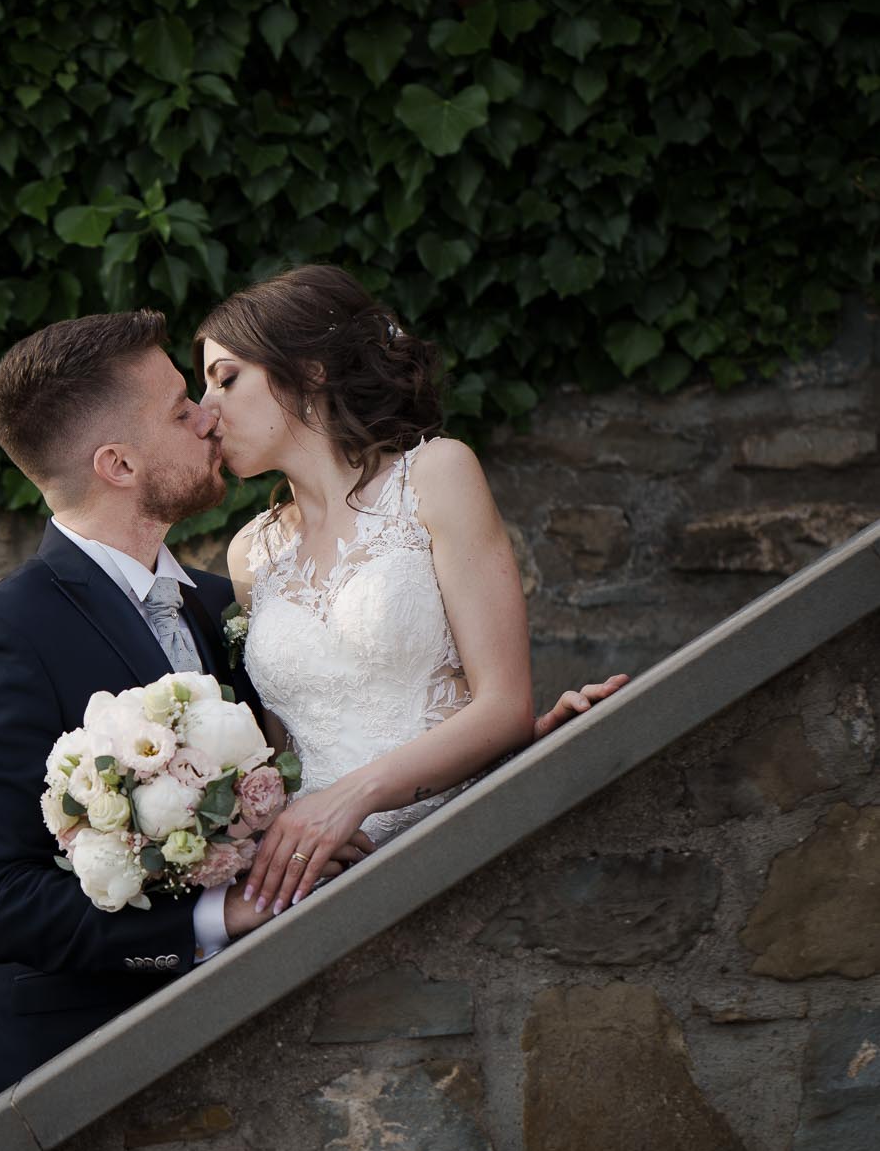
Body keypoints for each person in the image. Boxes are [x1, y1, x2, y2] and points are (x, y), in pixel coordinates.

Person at [0, 301, 621, 1131]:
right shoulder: (1, 638)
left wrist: (507, 752)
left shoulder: (227, 604)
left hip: (284, 1011)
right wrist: (220, 915)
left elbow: (319, 751)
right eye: (184, 409)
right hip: (67, 1071)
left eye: (212, 390)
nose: (207, 419)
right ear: (116, 463)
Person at [196, 263, 628, 916]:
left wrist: (352, 797)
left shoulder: (434, 474)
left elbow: (502, 703)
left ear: (309, 368)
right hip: (320, 886)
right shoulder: (252, 551)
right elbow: (280, 763)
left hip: (451, 849)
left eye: (226, 379)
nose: (206, 413)